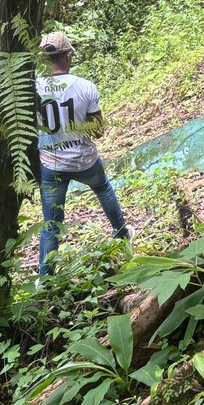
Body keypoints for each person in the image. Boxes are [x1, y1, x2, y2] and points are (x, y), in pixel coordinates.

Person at [35, 31, 130, 275]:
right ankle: (121, 233)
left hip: (51, 164)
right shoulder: (85, 86)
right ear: (67, 56)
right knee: (103, 189)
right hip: (84, 160)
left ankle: (45, 278)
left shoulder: (33, 89)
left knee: (51, 224)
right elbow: (98, 130)